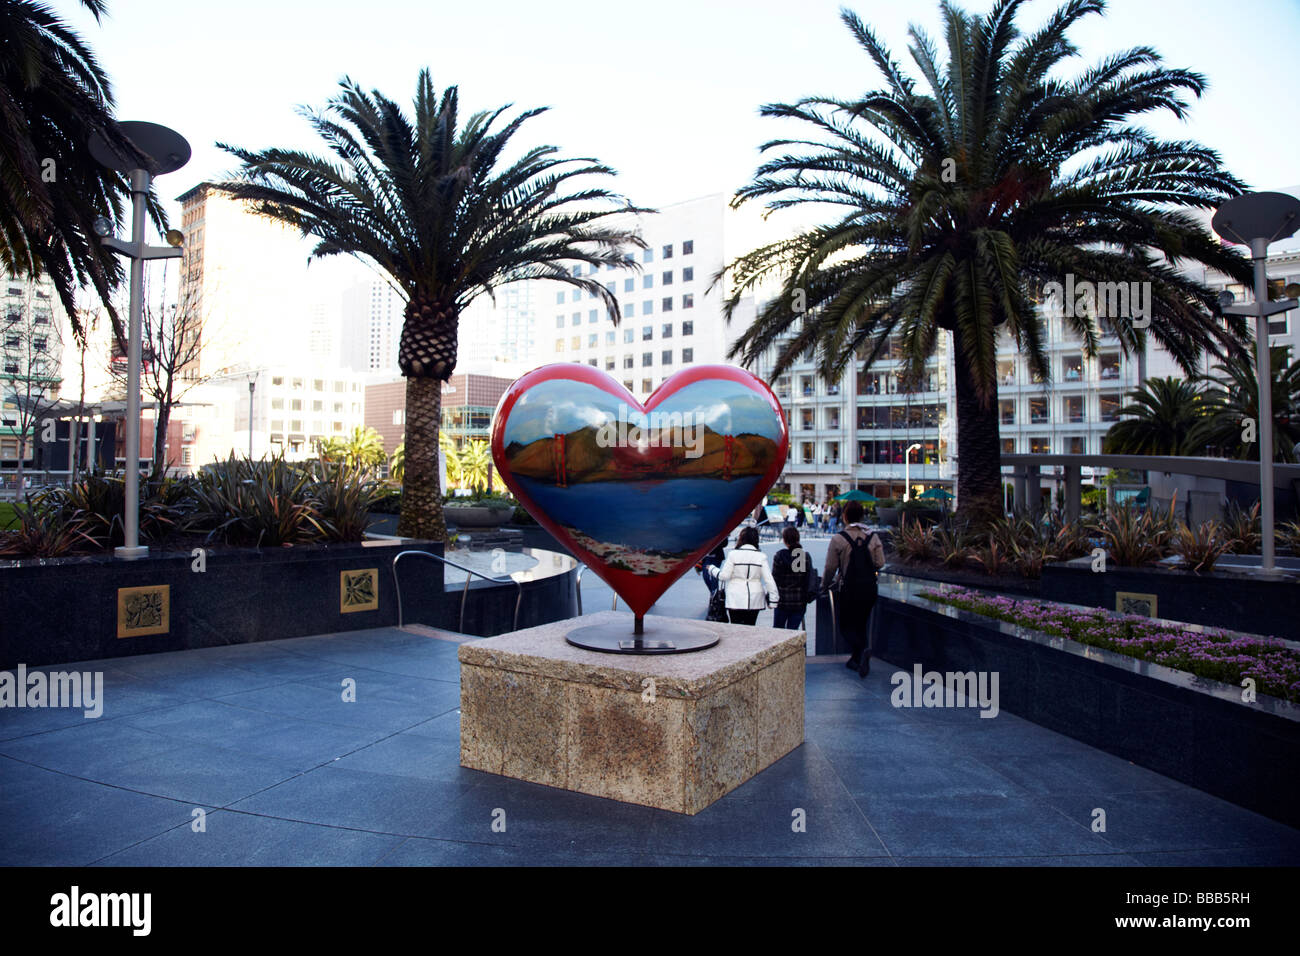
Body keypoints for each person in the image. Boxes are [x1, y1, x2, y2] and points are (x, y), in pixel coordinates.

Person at [822, 501, 885, 676]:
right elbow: (880, 563)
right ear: (862, 516)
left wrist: (824, 585)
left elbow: (830, 567)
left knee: (845, 625)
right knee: (861, 623)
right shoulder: (873, 537)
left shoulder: (839, 538)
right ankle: (857, 660)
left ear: (844, 516)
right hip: (869, 588)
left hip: (848, 588)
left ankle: (861, 651)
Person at [718, 526, 778, 626]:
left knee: (735, 627)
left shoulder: (733, 554)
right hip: (755, 598)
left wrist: (712, 570)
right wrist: (773, 600)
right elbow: (769, 580)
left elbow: (724, 576)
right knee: (751, 627)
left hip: (735, 597)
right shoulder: (761, 556)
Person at [771, 526, 817, 630]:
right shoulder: (803, 556)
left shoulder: (779, 556)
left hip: (782, 601)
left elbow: (775, 579)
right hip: (799, 602)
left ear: (784, 540)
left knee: (778, 632)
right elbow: (806, 579)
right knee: (793, 631)